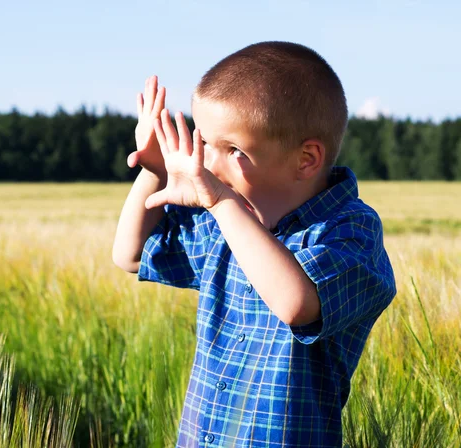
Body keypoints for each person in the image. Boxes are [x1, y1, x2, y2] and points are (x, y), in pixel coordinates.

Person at [112, 41, 397, 447]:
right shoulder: (223, 224)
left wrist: (223, 204)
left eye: (233, 150)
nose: (208, 164)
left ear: (306, 159)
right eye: (205, 143)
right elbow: (131, 255)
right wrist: (155, 172)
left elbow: (296, 305)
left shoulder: (349, 231)